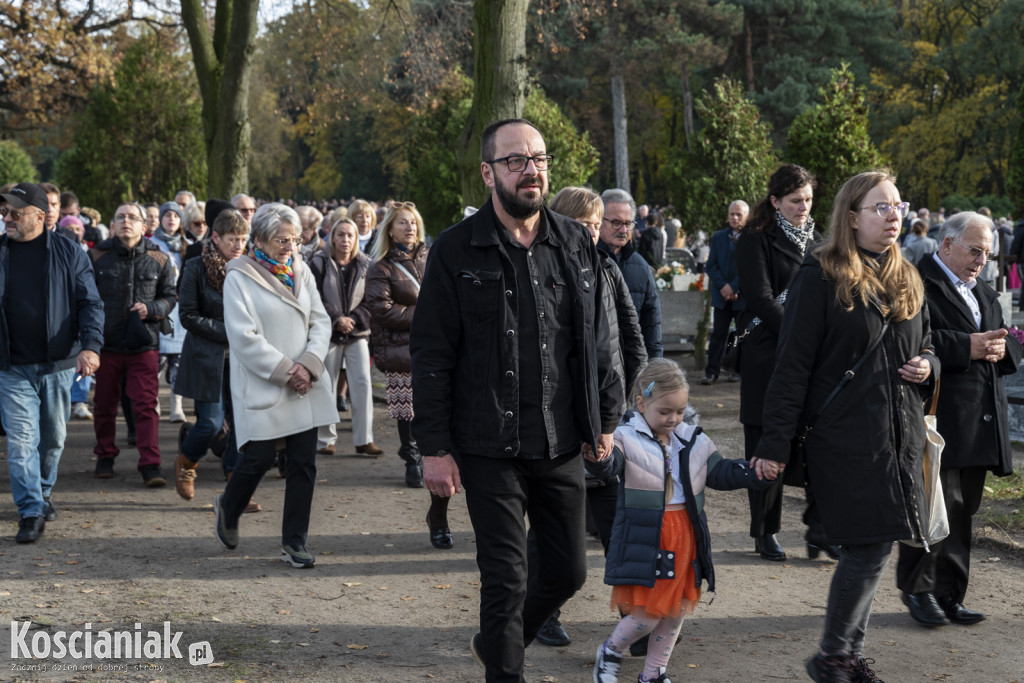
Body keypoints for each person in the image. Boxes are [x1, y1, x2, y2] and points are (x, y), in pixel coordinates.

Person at [410, 118, 623, 682]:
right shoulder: (455, 249)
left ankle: (496, 644)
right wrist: (434, 448)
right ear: (488, 173)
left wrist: (605, 419)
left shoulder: (575, 241)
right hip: (487, 441)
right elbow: (431, 355)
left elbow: (598, 338)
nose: (532, 170)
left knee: (569, 571)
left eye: (539, 158)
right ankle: (506, 670)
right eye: (515, 161)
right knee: (505, 577)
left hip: (561, 440)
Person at [753, 170, 938, 683]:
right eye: (881, 207)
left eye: (898, 206)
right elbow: (791, 367)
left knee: (873, 546)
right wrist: (774, 444)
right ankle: (834, 657)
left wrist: (929, 365)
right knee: (868, 546)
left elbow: (926, 343)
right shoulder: (819, 277)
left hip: (899, 437)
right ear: (852, 217)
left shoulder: (907, 275)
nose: (894, 215)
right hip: (844, 439)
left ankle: (845, 656)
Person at [594, 358, 772, 683]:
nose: (673, 419)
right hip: (649, 538)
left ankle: (653, 673)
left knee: (676, 610)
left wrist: (754, 472)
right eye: (665, 411)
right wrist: (598, 456)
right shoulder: (625, 437)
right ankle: (610, 651)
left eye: (679, 411)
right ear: (641, 404)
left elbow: (720, 471)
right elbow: (609, 465)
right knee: (648, 614)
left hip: (686, 537)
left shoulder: (693, 439)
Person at [896, 211, 1021, 628]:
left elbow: (1004, 339)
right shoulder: (917, 282)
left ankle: (951, 594)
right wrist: (967, 346)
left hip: (980, 422)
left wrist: (1002, 349)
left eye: (987, 253)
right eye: (975, 251)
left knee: (963, 509)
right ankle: (918, 590)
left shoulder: (982, 291)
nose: (981, 260)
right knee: (932, 506)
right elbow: (908, 340)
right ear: (947, 244)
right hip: (939, 415)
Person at [539, 185, 647, 647]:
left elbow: (631, 338)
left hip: (606, 418)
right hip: (558, 424)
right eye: (583, 223)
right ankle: (544, 611)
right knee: (554, 527)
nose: (590, 232)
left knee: (615, 522)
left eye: (595, 224)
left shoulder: (607, 269)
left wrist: (624, 406)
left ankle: (635, 619)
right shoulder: (540, 271)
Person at [213, 203, 335, 568]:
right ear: (261, 240)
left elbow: (320, 320)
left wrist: (308, 365)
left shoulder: (301, 269)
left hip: (304, 382)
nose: (290, 247)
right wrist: (287, 370)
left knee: (303, 462)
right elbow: (243, 337)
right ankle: (229, 506)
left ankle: (294, 542)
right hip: (265, 380)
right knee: (260, 457)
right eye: (282, 240)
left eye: (294, 239)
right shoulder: (239, 277)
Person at [734, 163, 829, 562]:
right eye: (795, 200)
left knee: (817, 441)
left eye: (808, 200)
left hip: (812, 356)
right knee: (764, 442)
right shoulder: (755, 238)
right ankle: (765, 531)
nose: (803, 207)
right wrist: (797, 336)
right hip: (767, 352)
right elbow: (759, 298)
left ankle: (820, 527)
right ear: (775, 201)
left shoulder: (820, 242)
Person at [0, 183, 104, 542]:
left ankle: (43, 491)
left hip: (58, 365)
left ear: (40, 217)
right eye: (4, 211)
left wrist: (91, 346)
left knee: (53, 439)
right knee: (21, 441)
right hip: (11, 367)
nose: (7, 217)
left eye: (15, 212)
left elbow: (90, 303)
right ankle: (30, 510)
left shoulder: (69, 251)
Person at [172, 209, 257, 509]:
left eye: (243, 239)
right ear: (216, 237)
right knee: (209, 423)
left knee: (243, 424)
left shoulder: (249, 267)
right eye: (233, 239)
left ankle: (236, 487)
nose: (239, 245)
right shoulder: (195, 266)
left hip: (243, 357)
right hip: (207, 356)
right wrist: (230, 331)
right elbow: (188, 315)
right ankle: (186, 462)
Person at [90, 202, 178, 486]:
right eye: (120, 217)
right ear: (112, 225)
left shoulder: (159, 258)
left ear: (144, 225)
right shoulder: (97, 256)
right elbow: (85, 297)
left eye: (132, 217)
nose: (126, 221)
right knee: (104, 404)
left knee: (146, 406)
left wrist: (151, 308)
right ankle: (105, 455)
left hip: (144, 344)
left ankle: (150, 464)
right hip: (106, 345)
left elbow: (171, 296)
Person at [365, 202, 429, 489]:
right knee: (407, 409)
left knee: (434, 404)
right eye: (402, 222)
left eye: (413, 222)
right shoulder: (381, 267)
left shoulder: (431, 258)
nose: (409, 227)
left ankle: (431, 455)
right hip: (400, 346)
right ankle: (412, 459)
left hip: (434, 345)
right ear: (390, 230)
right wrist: (426, 314)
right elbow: (382, 311)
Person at [309, 216, 379, 457]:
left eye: (350, 235)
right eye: (341, 234)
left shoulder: (366, 264)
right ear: (332, 237)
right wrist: (337, 318)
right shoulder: (319, 262)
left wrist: (354, 319)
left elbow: (372, 298)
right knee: (326, 384)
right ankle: (325, 439)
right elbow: (314, 296)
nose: (346, 239)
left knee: (362, 383)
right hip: (328, 332)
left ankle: (364, 439)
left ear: (356, 238)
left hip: (358, 332)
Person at [599, 188, 664, 360]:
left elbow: (652, 323)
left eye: (628, 223)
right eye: (616, 222)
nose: (623, 230)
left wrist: (655, 365)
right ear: (599, 220)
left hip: (633, 363)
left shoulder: (641, 266)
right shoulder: (585, 261)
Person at [152, 201, 193, 424]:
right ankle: (154, 401)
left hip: (181, 309)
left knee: (178, 360)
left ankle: (176, 404)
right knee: (157, 360)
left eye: (176, 216)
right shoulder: (152, 243)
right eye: (167, 215)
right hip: (160, 305)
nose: (171, 220)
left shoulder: (188, 246)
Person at [702, 200, 748, 385]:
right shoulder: (719, 236)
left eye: (739, 214)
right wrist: (724, 287)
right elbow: (711, 265)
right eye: (732, 214)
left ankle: (736, 370)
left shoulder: (752, 238)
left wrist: (735, 287)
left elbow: (751, 267)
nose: (735, 218)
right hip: (721, 296)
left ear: (747, 217)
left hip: (741, 296)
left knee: (740, 334)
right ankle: (711, 372)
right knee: (718, 335)